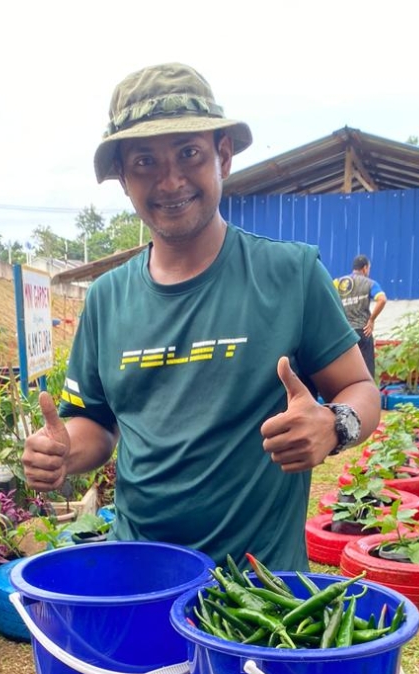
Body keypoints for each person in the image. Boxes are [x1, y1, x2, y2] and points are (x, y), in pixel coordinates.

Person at [22, 62, 380, 571]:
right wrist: (63, 452)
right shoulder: (106, 298)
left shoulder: (289, 274)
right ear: (123, 178)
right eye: (144, 161)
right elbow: (95, 426)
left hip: (259, 588)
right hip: (141, 578)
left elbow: (360, 389)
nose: (170, 181)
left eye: (188, 153)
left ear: (223, 157)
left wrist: (335, 424)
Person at [335, 255, 387, 379]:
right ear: (364, 268)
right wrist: (371, 320)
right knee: (366, 373)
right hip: (363, 331)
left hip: (344, 333)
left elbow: (326, 298)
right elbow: (382, 299)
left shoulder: (337, 282)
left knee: (344, 372)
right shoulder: (370, 284)